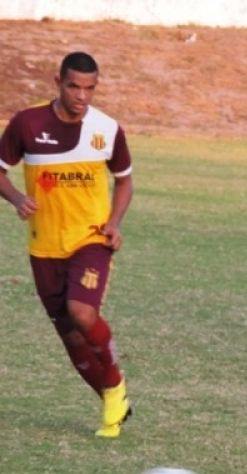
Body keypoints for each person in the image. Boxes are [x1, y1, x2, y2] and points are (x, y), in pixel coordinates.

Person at [0, 51, 134, 438]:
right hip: (44, 246)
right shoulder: (27, 123)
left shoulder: (107, 129)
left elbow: (124, 180)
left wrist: (114, 223)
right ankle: (113, 400)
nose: (82, 96)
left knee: (83, 314)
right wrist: (16, 198)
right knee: (70, 334)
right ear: (58, 82)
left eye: (90, 88)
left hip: (90, 238)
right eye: (74, 86)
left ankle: (115, 384)